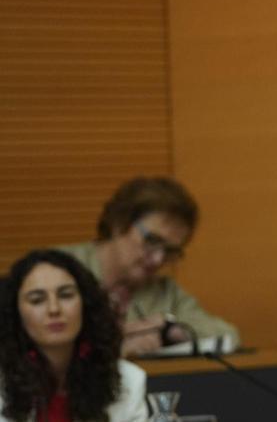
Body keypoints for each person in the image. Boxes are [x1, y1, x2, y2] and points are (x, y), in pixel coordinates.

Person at [57, 177, 238, 357]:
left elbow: (228, 335)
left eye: (169, 251)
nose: (158, 259)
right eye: (152, 240)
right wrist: (116, 345)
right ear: (119, 223)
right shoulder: (55, 269)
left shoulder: (164, 292)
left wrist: (172, 331)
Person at [0, 249, 149, 422]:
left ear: (85, 305)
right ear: (15, 313)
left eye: (66, 295)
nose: (54, 309)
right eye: (37, 300)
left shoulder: (129, 382)